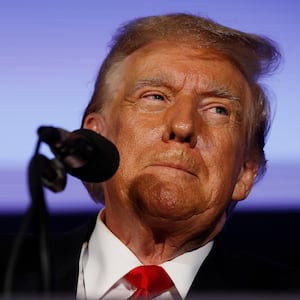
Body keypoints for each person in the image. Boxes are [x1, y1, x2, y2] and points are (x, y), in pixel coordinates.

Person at [1, 13, 299, 299]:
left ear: (246, 172)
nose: (183, 125)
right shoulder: (11, 273)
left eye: (218, 109)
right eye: (155, 96)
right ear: (96, 137)